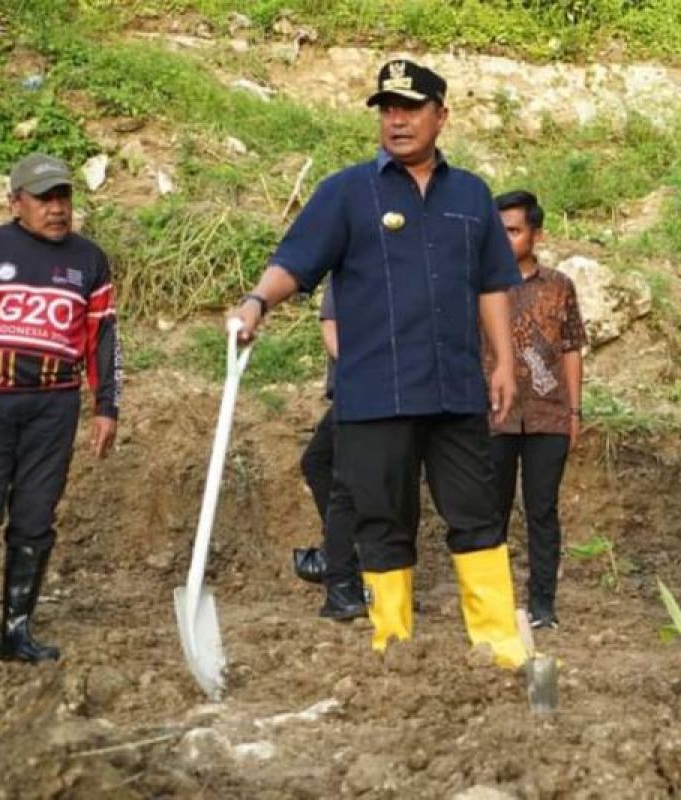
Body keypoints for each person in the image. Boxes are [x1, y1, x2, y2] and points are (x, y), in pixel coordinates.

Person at [230, 59, 528, 669]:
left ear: (440, 116)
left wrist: (502, 361)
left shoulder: (470, 195)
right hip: (376, 394)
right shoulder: (346, 192)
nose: (397, 120)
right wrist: (257, 301)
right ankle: (393, 646)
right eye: (387, 109)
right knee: (382, 521)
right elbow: (297, 260)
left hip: (454, 391)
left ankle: (499, 645)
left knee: (477, 516)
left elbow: (494, 284)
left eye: (411, 108)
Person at [0, 153, 121, 663]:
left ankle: (15, 631)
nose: (57, 209)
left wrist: (106, 406)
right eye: (44, 199)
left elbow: (103, 338)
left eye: (63, 198)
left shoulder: (89, 260)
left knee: (34, 516)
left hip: (54, 406)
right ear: (15, 203)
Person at [487, 190, 585, 630]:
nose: (505, 238)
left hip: (548, 415)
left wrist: (575, 412)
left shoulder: (559, 286)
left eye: (514, 230)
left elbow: (571, 349)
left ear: (536, 234)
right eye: (499, 229)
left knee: (542, 510)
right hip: (493, 415)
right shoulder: (481, 285)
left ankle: (543, 605)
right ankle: (493, 603)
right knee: (492, 511)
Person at [295, 284, 366, 620]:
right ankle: (344, 552)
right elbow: (331, 329)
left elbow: (331, 330)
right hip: (355, 390)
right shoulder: (349, 273)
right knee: (318, 463)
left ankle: (345, 572)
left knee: (343, 483)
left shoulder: (351, 270)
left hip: (360, 392)